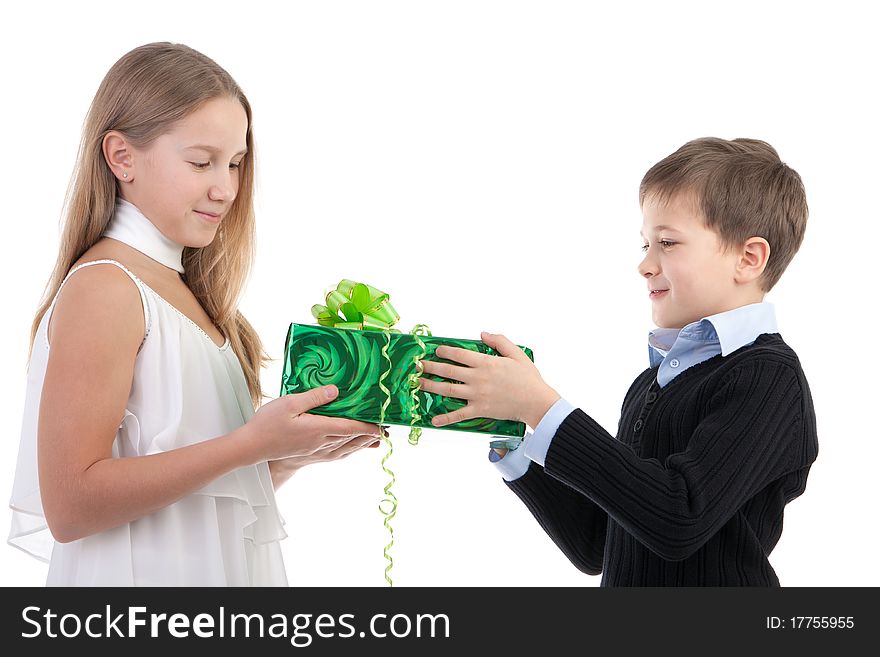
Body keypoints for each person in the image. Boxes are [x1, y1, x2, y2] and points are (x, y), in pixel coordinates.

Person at [7, 42, 382, 586]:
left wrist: (288, 456)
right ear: (121, 157)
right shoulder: (107, 289)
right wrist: (252, 443)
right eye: (201, 161)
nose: (226, 187)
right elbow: (71, 505)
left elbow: (195, 502)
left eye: (235, 163)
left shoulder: (186, 293)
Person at [419, 137, 819, 586]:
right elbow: (598, 543)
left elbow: (677, 517)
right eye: (646, 244)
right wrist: (513, 434)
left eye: (667, 242)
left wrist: (541, 407)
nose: (645, 265)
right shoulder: (652, 383)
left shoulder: (767, 377)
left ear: (748, 258)